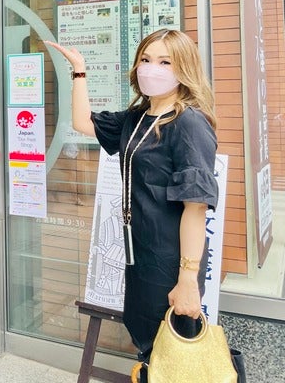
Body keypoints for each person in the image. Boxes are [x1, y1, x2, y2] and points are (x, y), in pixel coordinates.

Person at [45, 29, 218, 382]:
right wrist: (79, 71)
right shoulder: (137, 118)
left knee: (173, 355)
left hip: (170, 260)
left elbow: (195, 208)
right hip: (139, 254)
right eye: (146, 59)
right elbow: (83, 122)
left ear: (184, 68)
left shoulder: (188, 123)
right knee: (150, 347)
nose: (152, 68)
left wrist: (188, 279)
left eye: (165, 62)